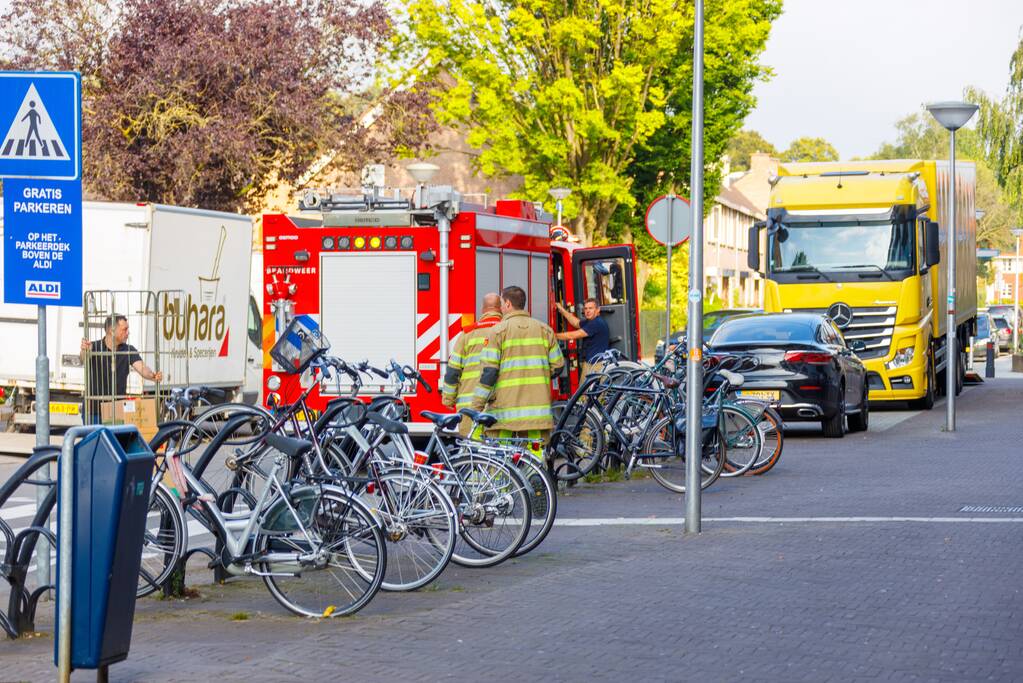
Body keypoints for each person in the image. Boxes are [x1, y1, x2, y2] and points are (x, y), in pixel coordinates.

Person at [472, 286, 564, 459]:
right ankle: (537, 484)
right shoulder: (545, 330)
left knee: (502, 458)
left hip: (504, 412)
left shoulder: (498, 331)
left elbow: (489, 373)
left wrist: (476, 405)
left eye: (501, 304)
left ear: (507, 304)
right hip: (537, 411)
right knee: (535, 457)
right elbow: (558, 366)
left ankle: (505, 487)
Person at [80, 314, 162, 424]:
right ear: (112, 331)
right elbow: (83, 359)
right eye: (125, 329)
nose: (128, 332)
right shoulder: (93, 347)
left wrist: (152, 375)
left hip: (117, 409)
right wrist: (85, 351)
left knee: (116, 441)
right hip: (93, 410)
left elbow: (142, 368)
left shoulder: (128, 350)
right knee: (94, 441)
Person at [441, 292, 503, 435]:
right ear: (500, 309)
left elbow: (452, 372)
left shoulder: (467, 334)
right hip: (499, 406)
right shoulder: (506, 331)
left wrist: (448, 400)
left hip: (468, 407)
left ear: (483, 310)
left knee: (471, 452)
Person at [555, 298, 610, 376]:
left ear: (598, 310)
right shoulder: (590, 321)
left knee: (587, 387)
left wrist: (553, 335)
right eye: (586, 308)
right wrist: (562, 310)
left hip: (595, 365)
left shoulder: (596, 323)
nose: (587, 311)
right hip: (592, 363)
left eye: (590, 308)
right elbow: (576, 323)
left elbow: (573, 335)